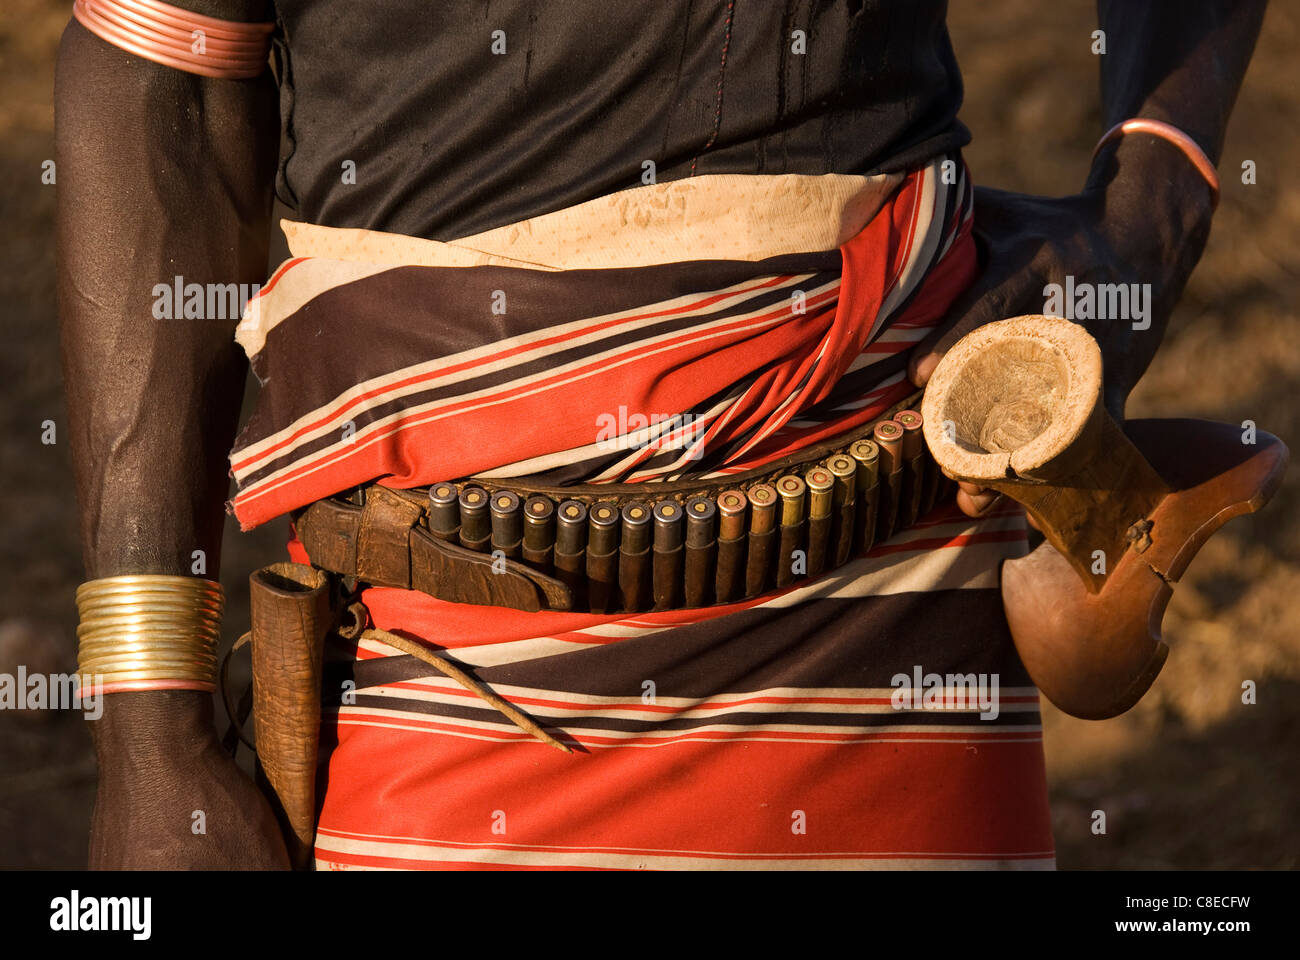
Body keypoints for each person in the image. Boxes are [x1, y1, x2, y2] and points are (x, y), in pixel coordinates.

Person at [56, 0, 1267, 869]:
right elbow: (156, 63)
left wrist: (1153, 198)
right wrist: (149, 719)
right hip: (428, 646)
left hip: (881, 575)